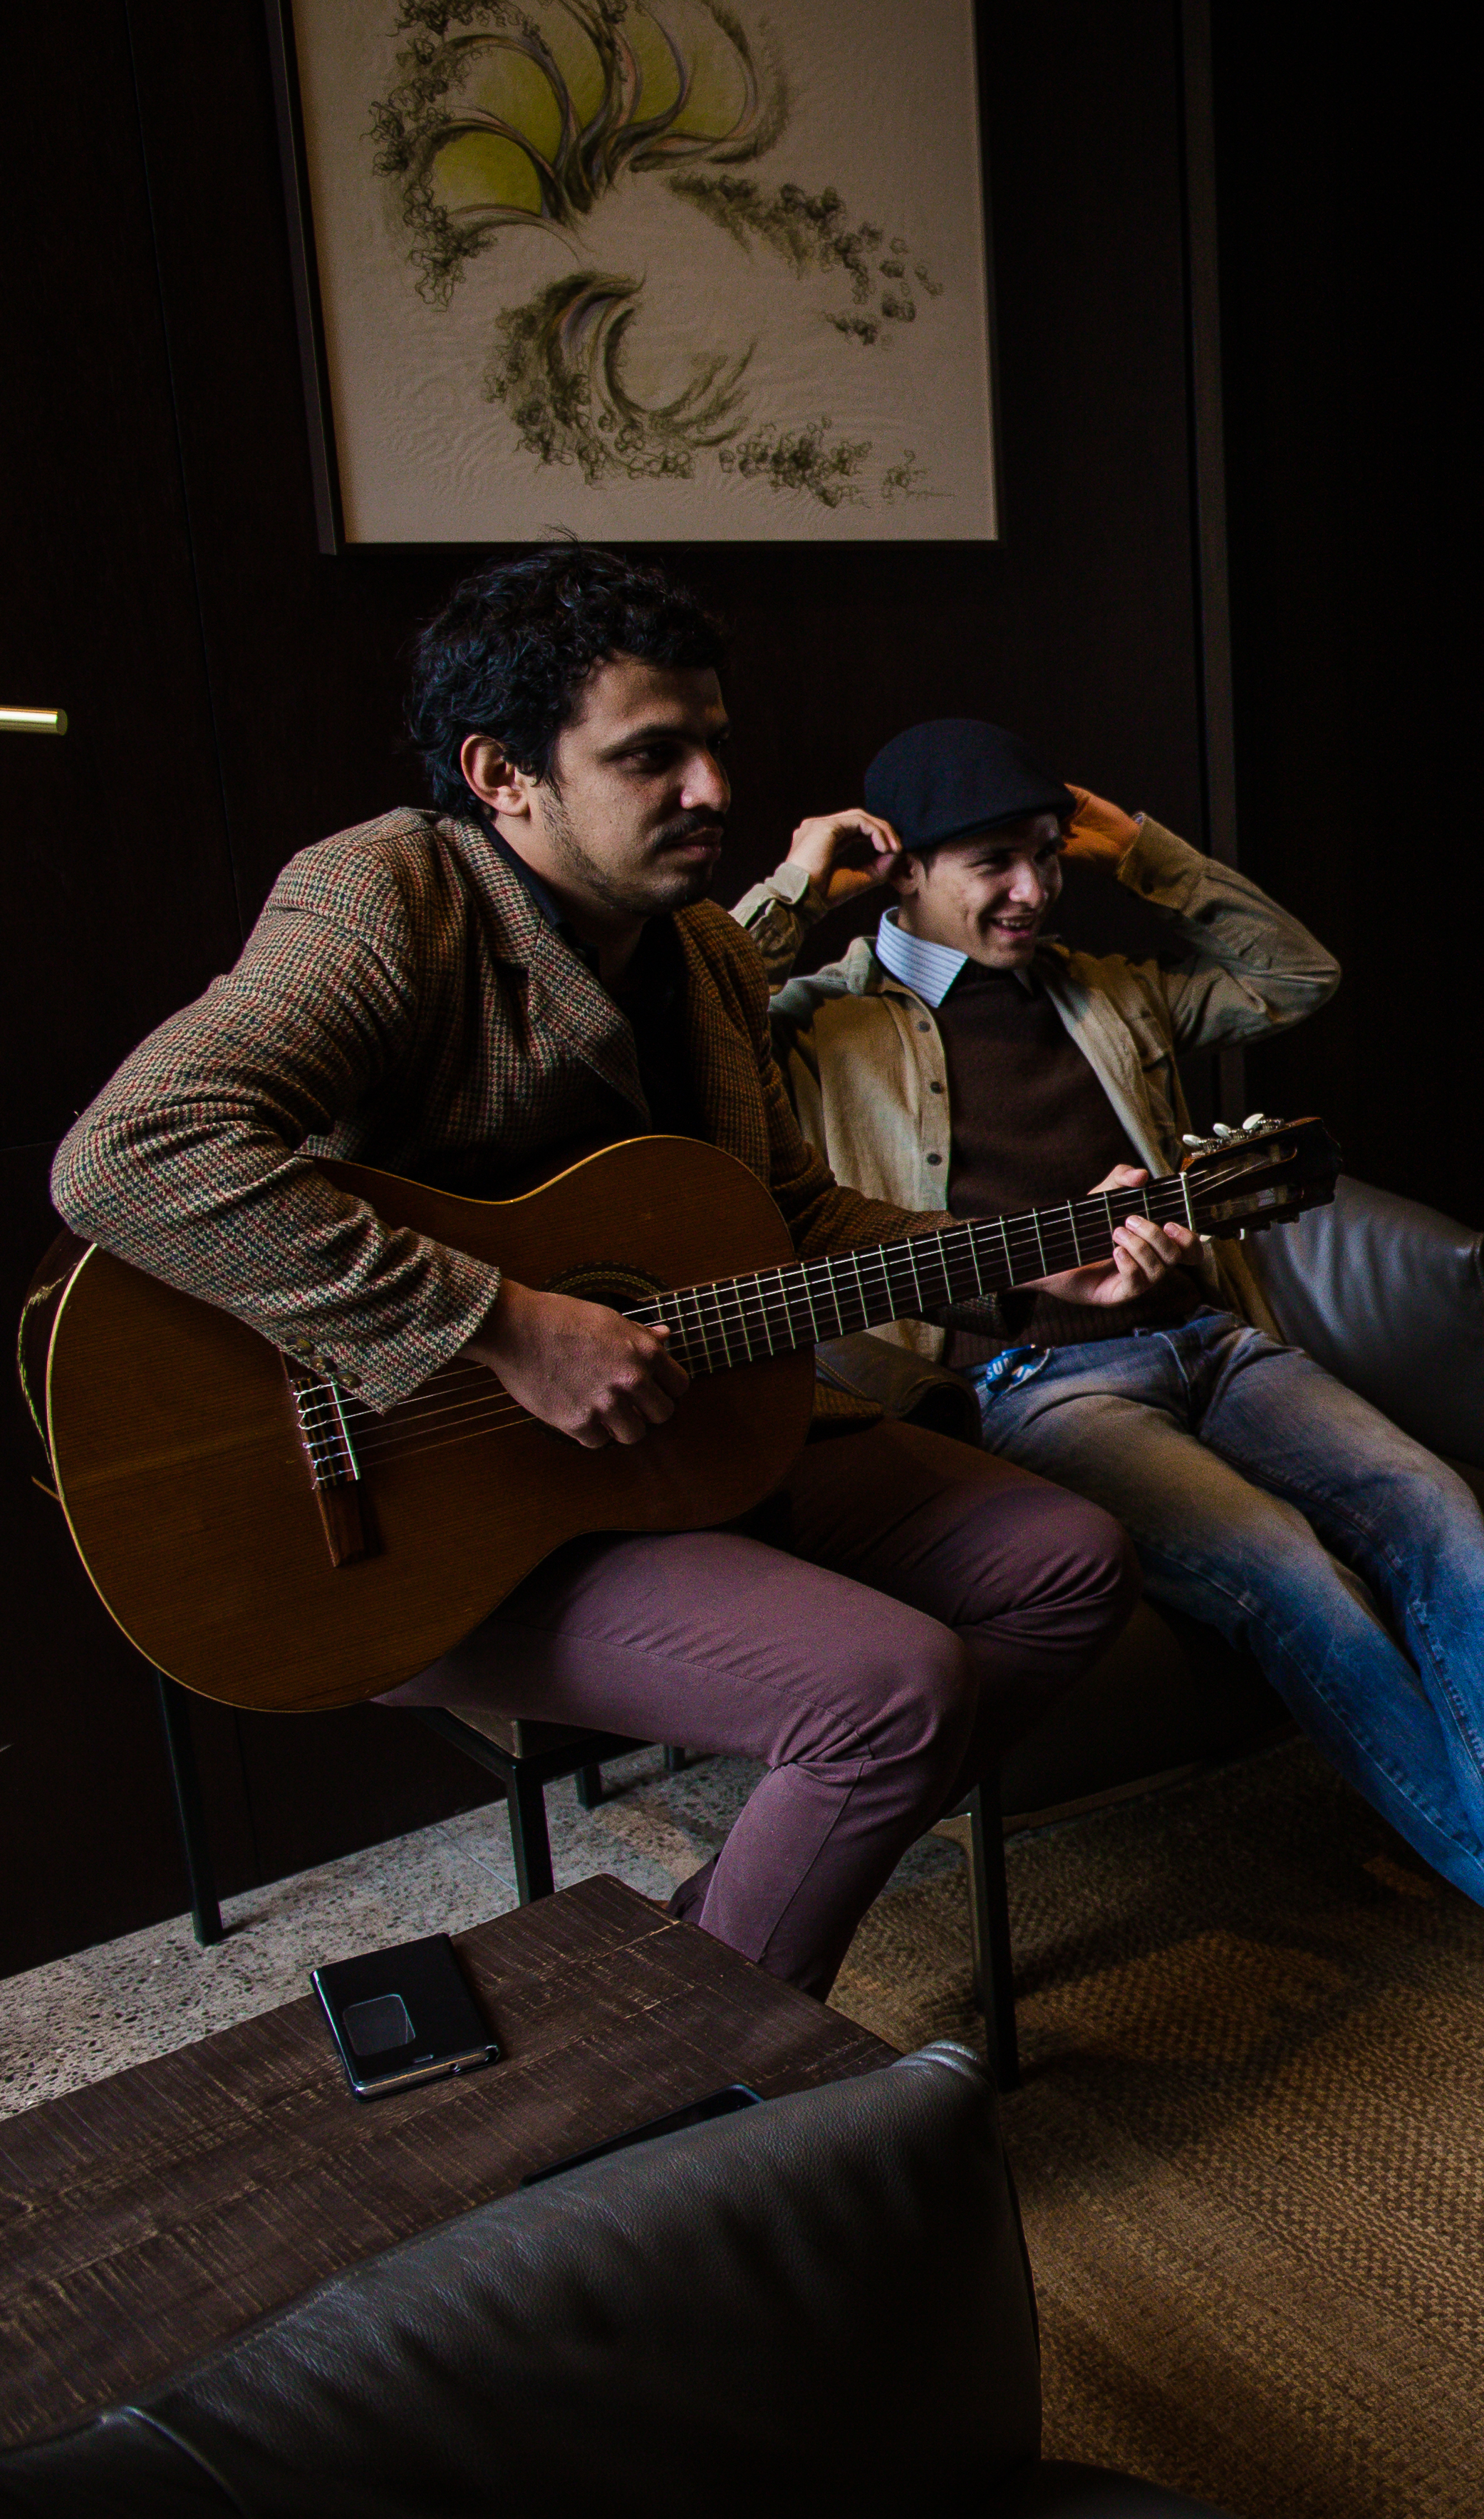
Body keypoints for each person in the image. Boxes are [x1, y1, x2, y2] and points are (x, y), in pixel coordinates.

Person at [47, 549, 1140, 1999]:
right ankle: (705, 2060)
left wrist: (1031, 1267)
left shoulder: (705, 955)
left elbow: (791, 1219)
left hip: (684, 1441)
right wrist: (502, 1326)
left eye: (714, 745)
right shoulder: (393, 895)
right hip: (418, 1503)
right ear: (502, 774)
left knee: (1069, 1564)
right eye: (650, 756)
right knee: (891, 1692)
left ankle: (697, 1953)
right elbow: (130, 1152)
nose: (712, 789)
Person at [744, 718, 1484, 2005]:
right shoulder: (821, 1027)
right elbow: (674, 1026)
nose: (1033, 889)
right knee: (1289, 1571)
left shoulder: (1106, 989)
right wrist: (799, 885)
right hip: (1039, 1390)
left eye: (1047, 854)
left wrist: (1141, 849)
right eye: (992, 864)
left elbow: (1297, 973)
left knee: (1434, 1505)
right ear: (900, 869)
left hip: (1211, 1340)